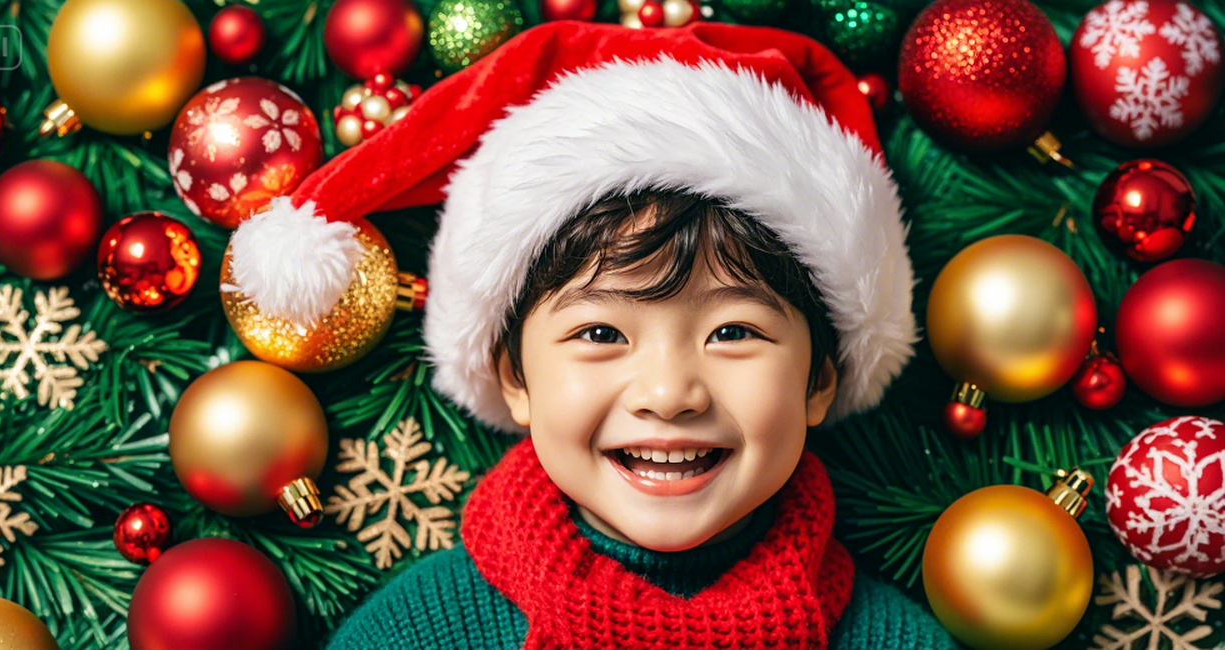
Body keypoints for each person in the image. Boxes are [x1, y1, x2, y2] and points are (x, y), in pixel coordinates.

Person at [228, 19, 955, 650]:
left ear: (819, 380)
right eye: (603, 331)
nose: (670, 394)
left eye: (732, 330)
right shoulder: (414, 635)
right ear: (514, 376)